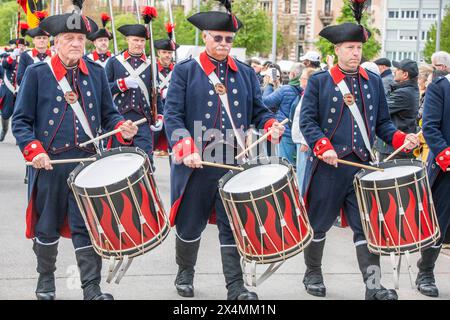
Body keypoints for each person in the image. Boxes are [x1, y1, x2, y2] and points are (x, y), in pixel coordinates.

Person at [12, 1, 138, 300]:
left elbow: (109, 114)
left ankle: (92, 289)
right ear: (57, 42)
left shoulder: (95, 72)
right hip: (50, 163)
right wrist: (34, 151)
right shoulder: (38, 74)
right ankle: (45, 281)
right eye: (69, 39)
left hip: (88, 165)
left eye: (81, 39)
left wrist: (123, 126)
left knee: (89, 227)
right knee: (47, 226)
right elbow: (21, 121)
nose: (76, 43)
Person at [164, 0, 285, 300]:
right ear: (205, 36)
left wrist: (270, 123)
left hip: (233, 162)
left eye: (228, 39)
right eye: (217, 38)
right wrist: (185, 145)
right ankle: (185, 273)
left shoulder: (244, 73)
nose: (223, 44)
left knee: (232, 226)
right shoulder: (186, 72)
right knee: (190, 224)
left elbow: (259, 110)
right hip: (196, 162)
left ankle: (235, 287)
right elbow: (173, 116)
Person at [299, 1, 419, 300]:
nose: (356, 53)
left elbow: (383, 125)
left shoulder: (373, 82)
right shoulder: (320, 82)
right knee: (319, 225)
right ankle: (312, 273)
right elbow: (308, 121)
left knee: (368, 230)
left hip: (363, 167)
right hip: (330, 166)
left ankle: (374, 286)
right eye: (350, 47)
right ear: (337, 50)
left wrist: (401, 138)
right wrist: (322, 146)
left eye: (358, 48)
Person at [105, 20, 163, 165]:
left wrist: (160, 116)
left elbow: (155, 94)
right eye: (135, 40)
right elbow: (103, 91)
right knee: (117, 161)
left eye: (142, 41)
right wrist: (121, 84)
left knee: (145, 161)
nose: (139, 44)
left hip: (142, 119)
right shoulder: (114, 62)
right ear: (127, 40)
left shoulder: (151, 65)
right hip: (119, 118)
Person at [419, 63, 450, 298]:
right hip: (446, 167)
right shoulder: (441, 87)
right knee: (439, 223)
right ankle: (426, 271)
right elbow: (430, 127)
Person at [374, 59, 419, 161]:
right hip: (396, 147)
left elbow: (380, 109)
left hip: (395, 149)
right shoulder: (407, 90)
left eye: (398, 69)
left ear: (405, 74)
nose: (394, 71)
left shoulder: (404, 93)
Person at [262, 62, 304, 164]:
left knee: (284, 165)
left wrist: (270, 85)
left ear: (293, 75)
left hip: (285, 132)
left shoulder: (285, 89)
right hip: (300, 135)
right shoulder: (305, 90)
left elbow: (265, 102)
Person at [153, 22, 179, 156]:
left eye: (170, 52)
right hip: (156, 108)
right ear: (158, 53)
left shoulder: (178, 70)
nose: (168, 55)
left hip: (172, 108)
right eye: (164, 52)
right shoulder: (152, 68)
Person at [291, 67, 317, 193]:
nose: (300, 79)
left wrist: (305, 141)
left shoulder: (310, 94)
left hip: (304, 141)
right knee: (300, 171)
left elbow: (309, 119)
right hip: (298, 139)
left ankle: (303, 199)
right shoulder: (304, 93)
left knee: (303, 173)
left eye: (304, 77)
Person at [0, 25, 29, 142]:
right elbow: (5, 65)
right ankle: (4, 130)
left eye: (23, 46)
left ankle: (19, 136)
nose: (21, 47)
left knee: (21, 113)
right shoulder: (9, 56)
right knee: (6, 113)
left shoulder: (27, 57)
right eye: (19, 46)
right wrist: (13, 55)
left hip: (22, 88)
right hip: (8, 89)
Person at [17, 12, 52, 86]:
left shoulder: (55, 55)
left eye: (44, 38)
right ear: (33, 40)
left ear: (48, 40)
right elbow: (19, 80)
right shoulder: (25, 56)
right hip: (31, 93)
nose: (42, 40)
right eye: (38, 38)